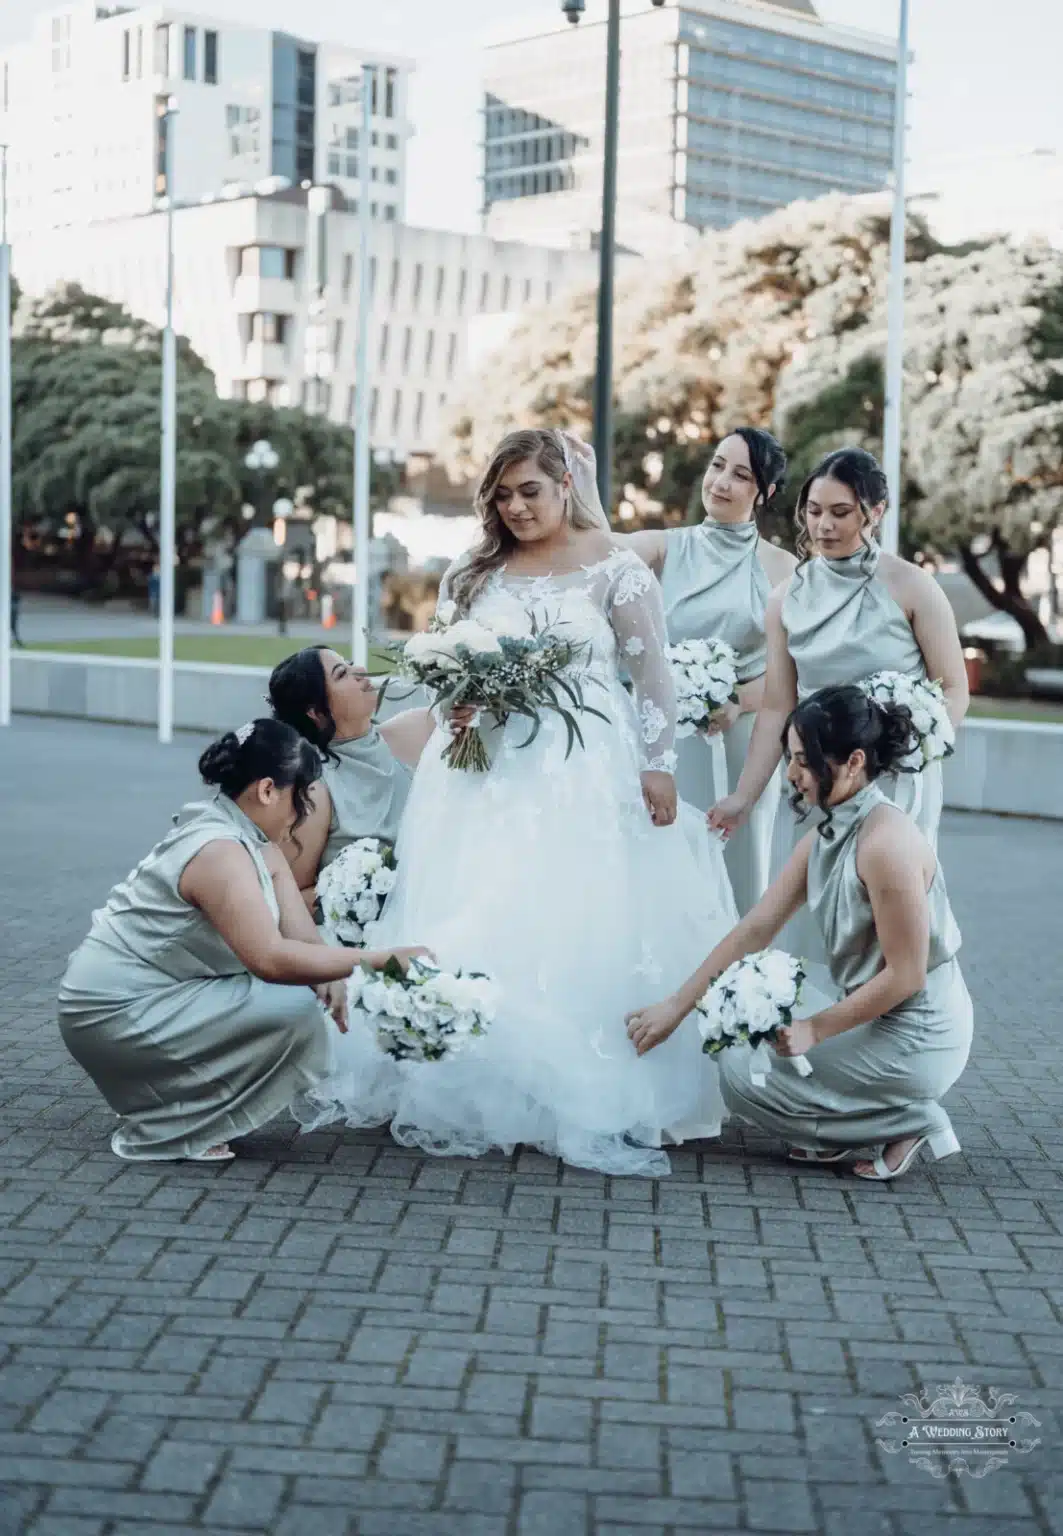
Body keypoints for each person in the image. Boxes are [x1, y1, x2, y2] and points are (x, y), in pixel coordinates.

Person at [294, 427, 738, 1177]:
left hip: (584, 770)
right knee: (481, 898)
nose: (515, 508)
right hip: (480, 771)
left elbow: (652, 675)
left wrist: (659, 766)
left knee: (572, 912)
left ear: (566, 483)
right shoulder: (472, 571)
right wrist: (457, 702)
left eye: (529, 490)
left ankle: (572, 1082)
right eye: (501, 495)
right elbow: (444, 663)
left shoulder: (615, 568)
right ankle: (469, 1067)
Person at [627, 685, 974, 1182]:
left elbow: (907, 977)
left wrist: (816, 1030)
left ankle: (913, 1118)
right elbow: (756, 928)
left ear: (853, 761)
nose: (791, 775)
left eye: (803, 762)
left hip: (919, 1033)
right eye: (791, 759)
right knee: (738, 1032)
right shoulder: (829, 833)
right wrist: (674, 1007)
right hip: (873, 1012)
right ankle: (841, 1128)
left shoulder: (886, 845)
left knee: (742, 1074)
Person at [58, 719, 427, 1163]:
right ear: (268, 790)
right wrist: (381, 960)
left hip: (150, 995)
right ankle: (176, 1126)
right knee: (294, 1009)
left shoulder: (254, 841)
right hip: (111, 1009)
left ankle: (170, 1103)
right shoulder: (219, 850)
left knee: (310, 995)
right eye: (302, 797)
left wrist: (334, 974)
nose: (305, 814)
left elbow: (304, 939)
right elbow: (269, 959)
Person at [709, 447, 968, 970]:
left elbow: (954, 689)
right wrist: (743, 795)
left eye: (840, 512)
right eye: (813, 511)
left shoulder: (912, 586)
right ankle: (807, 1031)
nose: (823, 526)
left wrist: (911, 746)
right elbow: (779, 706)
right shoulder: (785, 597)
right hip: (816, 778)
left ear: (875, 511)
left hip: (894, 781)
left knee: (887, 910)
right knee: (814, 911)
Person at [625, 427, 796, 914]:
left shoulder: (784, 569)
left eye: (740, 475)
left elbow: (795, 672)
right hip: (664, 739)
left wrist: (738, 702)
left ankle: (732, 980)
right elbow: (592, 548)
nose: (721, 482)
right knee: (659, 867)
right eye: (717, 465)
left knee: (735, 871)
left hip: (742, 741)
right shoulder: (663, 547)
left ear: (764, 493)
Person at [268, 647, 437, 908]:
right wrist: (360, 891)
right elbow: (292, 900)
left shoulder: (417, 728)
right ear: (316, 712)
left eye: (350, 664)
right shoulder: (315, 791)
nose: (359, 671)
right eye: (341, 674)